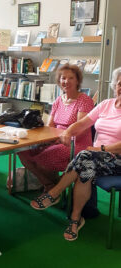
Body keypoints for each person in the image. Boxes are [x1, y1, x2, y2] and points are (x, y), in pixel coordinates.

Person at [30, 66, 121, 241]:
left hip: (116, 158)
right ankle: (75, 219)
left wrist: (101, 149)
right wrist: (67, 132)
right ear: (115, 85)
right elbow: (83, 123)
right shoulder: (105, 104)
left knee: (85, 157)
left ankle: (54, 193)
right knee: (85, 167)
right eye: (120, 83)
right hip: (95, 158)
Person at [18, 64, 94, 192]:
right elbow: (50, 126)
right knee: (23, 151)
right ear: (59, 81)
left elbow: (81, 128)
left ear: (77, 81)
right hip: (56, 139)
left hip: (75, 144)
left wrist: (57, 139)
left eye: (71, 78)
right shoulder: (59, 100)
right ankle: (50, 185)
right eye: (63, 78)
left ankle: (54, 189)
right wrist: (48, 139)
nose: (66, 81)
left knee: (43, 159)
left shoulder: (84, 100)